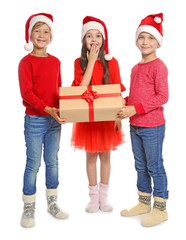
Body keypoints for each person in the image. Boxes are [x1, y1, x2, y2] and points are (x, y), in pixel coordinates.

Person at [118, 13, 169, 227]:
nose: (145, 42)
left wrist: (134, 108)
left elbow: (162, 97)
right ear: (136, 41)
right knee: (140, 165)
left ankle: (160, 208)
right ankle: (144, 201)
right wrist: (123, 101)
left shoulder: (159, 66)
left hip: (152, 126)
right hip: (135, 126)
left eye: (150, 38)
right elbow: (137, 95)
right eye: (142, 38)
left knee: (154, 166)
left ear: (158, 42)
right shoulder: (135, 68)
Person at [71, 16, 126, 213]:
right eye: (89, 36)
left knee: (105, 155)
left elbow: (118, 92)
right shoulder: (79, 62)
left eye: (98, 36)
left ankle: (104, 196)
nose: (94, 40)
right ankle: (93, 198)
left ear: (104, 39)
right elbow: (79, 89)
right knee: (91, 156)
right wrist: (92, 62)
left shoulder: (113, 63)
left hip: (107, 117)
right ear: (83, 40)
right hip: (88, 119)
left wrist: (118, 118)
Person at [18, 13, 68, 228]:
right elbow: (26, 93)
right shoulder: (25, 62)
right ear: (30, 36)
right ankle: (28, 207)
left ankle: (52, 203)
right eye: (37, 30)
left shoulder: (56, 61)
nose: (41, 35)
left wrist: (64, 109)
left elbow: (59, 90)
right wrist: (47, 108)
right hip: (35, 120)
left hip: (54, 120)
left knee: (53, 161)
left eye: (46, 31)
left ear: (51, 36)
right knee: (33, 163)